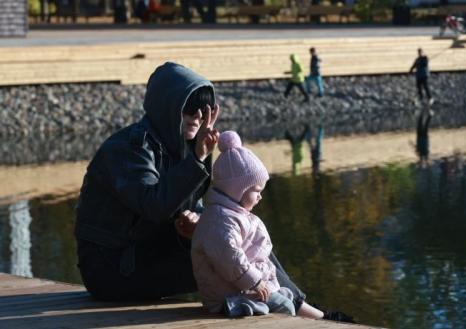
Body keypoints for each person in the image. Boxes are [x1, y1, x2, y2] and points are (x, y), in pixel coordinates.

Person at [74, 62, 220, 301]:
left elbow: (190, 207)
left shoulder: (177, 147)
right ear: (168, 106)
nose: (197, 117)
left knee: (241, 235)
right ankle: (286, 305)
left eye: (203, 110)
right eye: (189, 109)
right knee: (227, 259)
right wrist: (197, 158)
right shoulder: (129, 148)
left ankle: (291, 301)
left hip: (147, 252)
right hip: (112, 267)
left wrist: (201, 222)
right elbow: (155, 205)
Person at [192, 131, 324, 318]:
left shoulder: (232, 215)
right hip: (227, 295)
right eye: (256, 191)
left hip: (240, 286)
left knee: (284, 296)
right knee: (286, 308)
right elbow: (229, 257)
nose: (260, 196)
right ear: (238, 190)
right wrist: (254, 282)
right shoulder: (220, 220)